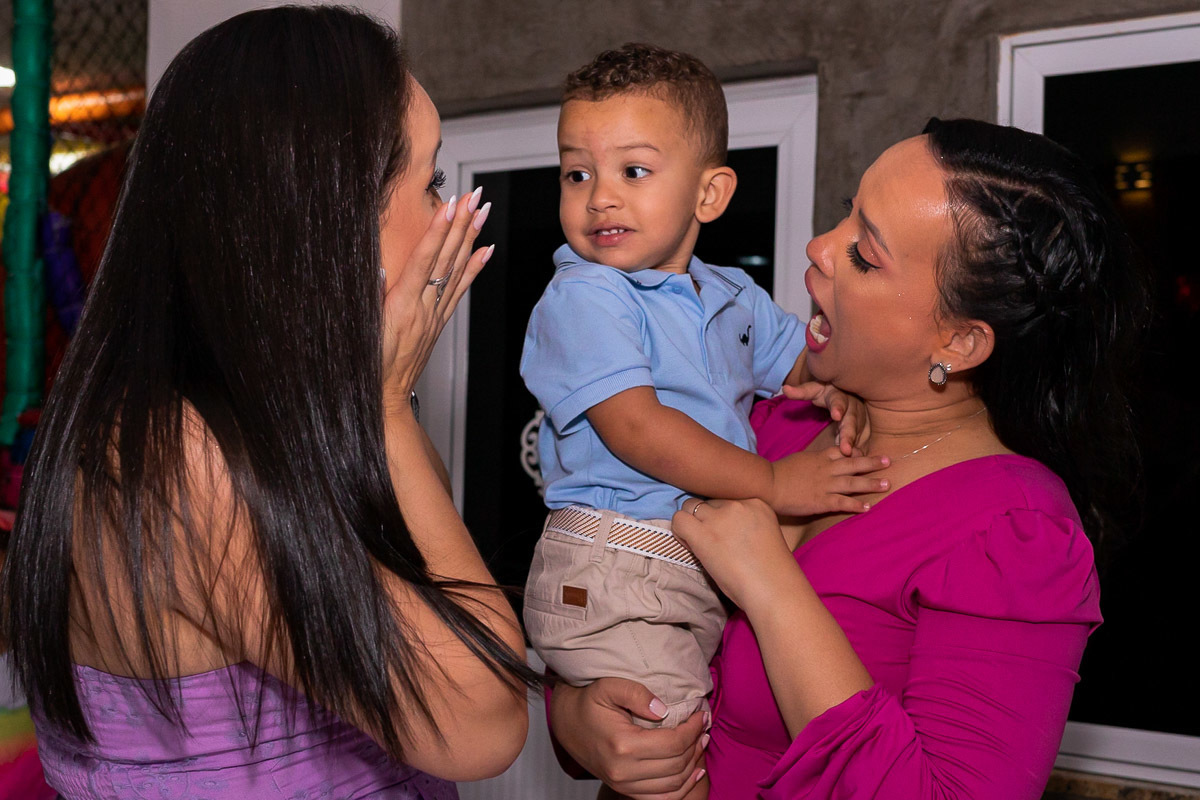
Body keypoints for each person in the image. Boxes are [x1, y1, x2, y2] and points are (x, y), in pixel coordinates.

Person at [0, 7, 536, 799]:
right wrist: (385, 411)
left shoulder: (255, 423)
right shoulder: (175, 457)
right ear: (330, 211)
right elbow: (485, 722)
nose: (446, 214)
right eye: (429, 182)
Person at [548, 118, 1150, 799]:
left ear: (957, 341)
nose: (819, 247)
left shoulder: (1013, 530)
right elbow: (611, 592)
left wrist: (771, 587)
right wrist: (577, 721)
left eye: (865, 254)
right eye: (846, 215)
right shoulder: (764, 427)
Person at [520, 44, 883, 800]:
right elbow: (638, 431)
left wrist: (840, 391)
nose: (599, 199)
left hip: (679, 566)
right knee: (671, 759)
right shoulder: (587, 296)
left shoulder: (730, 296)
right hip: (615, 560)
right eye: (576, 172)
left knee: (691, 743)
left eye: (633, 171)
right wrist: (775, 482)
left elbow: (805, 366)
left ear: (710, 193)